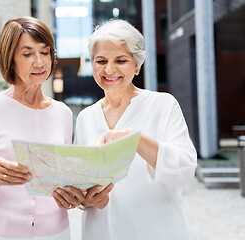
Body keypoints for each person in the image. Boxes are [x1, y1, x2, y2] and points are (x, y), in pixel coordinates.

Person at [53, 19, 197, 240]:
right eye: (101, 61)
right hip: (100, 232)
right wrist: (85, 200)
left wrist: (135, 139)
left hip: (156, 230)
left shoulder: (163, 104)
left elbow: (185, 169)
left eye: (121, 60)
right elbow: (82, 181)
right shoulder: (85, 117)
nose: (109, 69)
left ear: (137, 65)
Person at [0, 16, 76, 240]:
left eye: (45, 52)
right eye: (27, 54)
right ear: (10, 59)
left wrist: (72, 194)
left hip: (56, 232)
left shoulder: (63, 113)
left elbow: (63, 177)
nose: (39, 62)